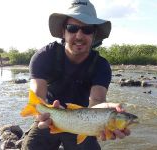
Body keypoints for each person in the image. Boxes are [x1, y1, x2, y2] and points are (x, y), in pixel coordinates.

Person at [21, 0, 130, 150]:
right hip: (50, 117)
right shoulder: (44, 56)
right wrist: (39, 116)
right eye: (72, 28)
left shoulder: (101, 65)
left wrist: (104, 115)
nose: (79, 35)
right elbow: (37, 97)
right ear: (63, 32)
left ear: (94, 34)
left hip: (84, 122)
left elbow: (97, 101)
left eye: (87, 30)